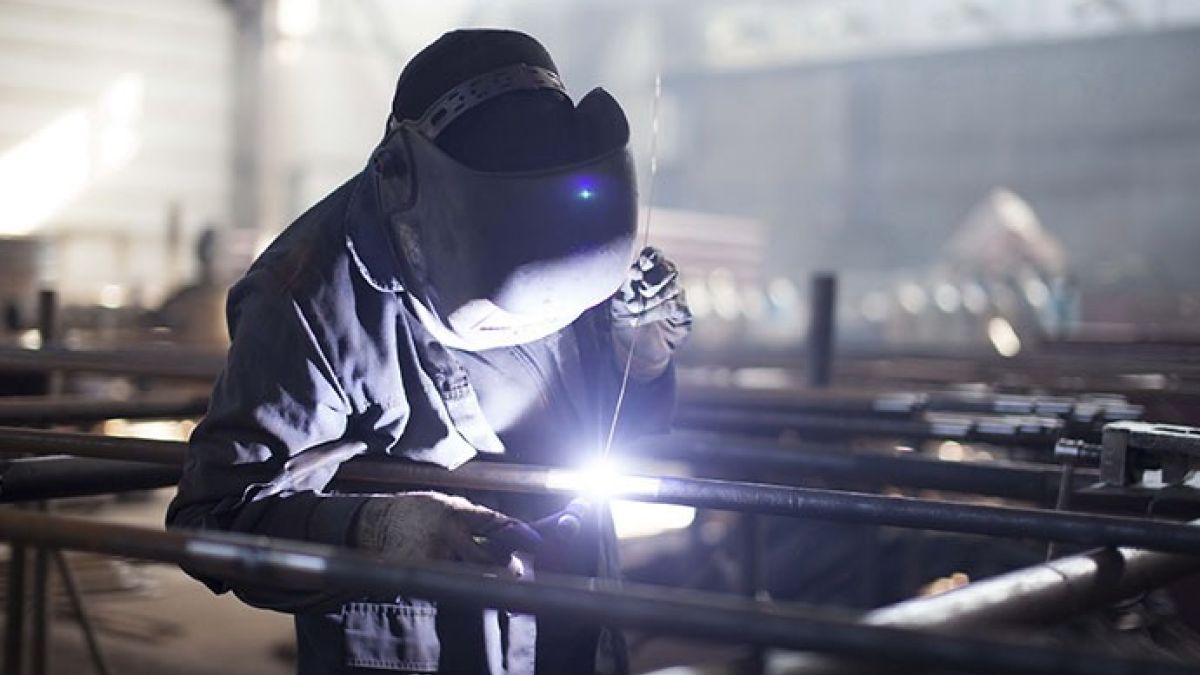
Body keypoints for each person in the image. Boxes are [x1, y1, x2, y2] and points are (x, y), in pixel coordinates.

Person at [166, 29, 692, 675]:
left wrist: (640, 362)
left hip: (574, 619)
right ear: (404, 182)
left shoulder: (569, 222)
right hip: (420, 642)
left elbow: (611, 439)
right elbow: (216, 519)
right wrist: (385, 531)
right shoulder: (306, 294)